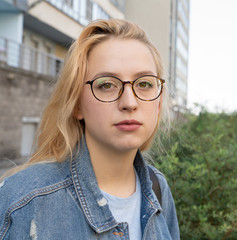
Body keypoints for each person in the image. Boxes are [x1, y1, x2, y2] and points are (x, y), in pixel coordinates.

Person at [0, 19, 180, 239]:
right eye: (106, 84)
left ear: (159, 102)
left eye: (144, 83)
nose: (129, 102)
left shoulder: (157, 188)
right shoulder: (22, 201)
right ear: (77, 104)